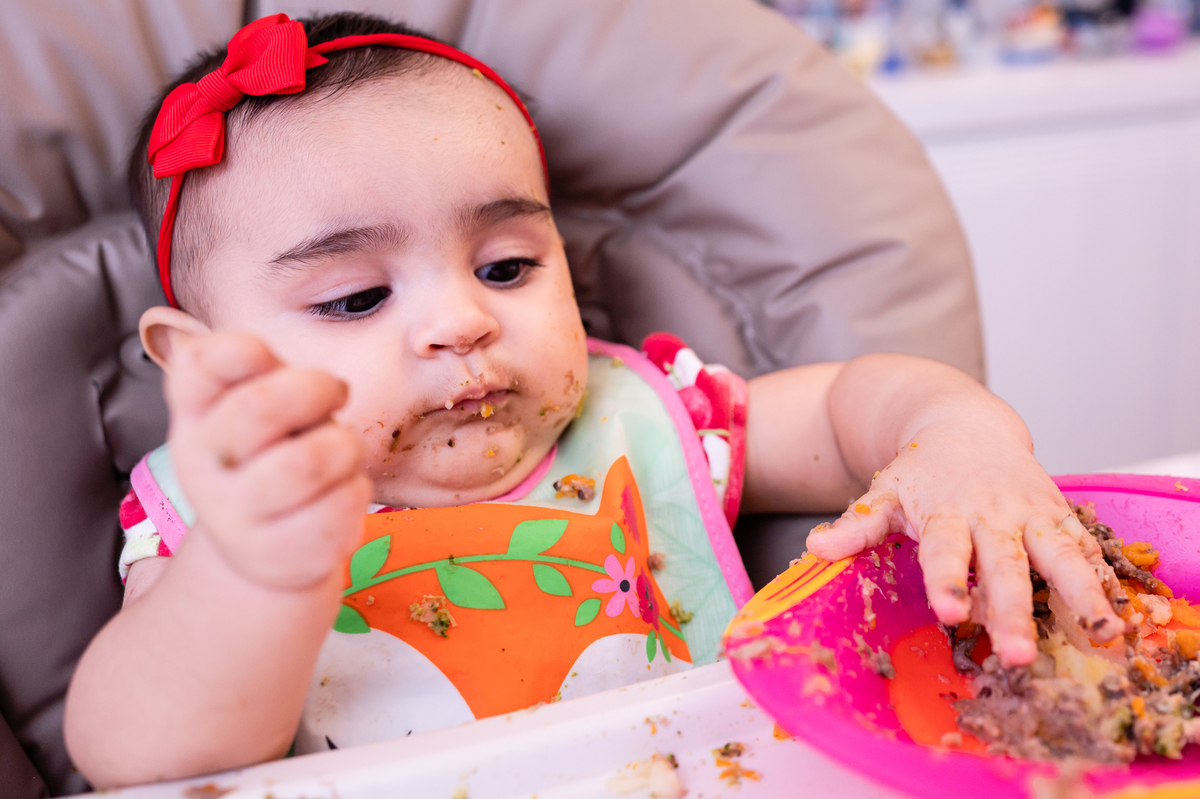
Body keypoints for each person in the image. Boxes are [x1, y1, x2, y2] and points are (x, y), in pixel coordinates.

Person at [62, 11, 1124, 788]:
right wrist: (254, 570)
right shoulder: (215, 525)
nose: (460, 323)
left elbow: (853, 406)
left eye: (509, 266)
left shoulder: (649, 417)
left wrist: (957, 436)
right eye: (354, 296)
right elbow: (134, 752)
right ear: (197, 364)